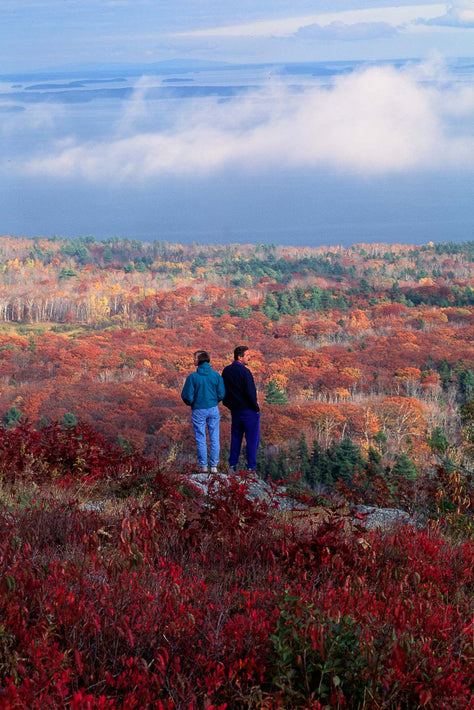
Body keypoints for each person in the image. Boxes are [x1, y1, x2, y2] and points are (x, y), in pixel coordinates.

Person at [181, 350, 225, 473]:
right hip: (213, 408)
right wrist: (214, 400)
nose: (193, 360)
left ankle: (204, 466)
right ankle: (214, 467)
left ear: (200, 360)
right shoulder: (216, 375)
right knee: (214, 437)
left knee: (201, 437)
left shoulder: (193, 377)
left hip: (198, 409)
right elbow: (221, 393)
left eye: (194, 358)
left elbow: (187, 396)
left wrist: (192, 403)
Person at [222, 345, 260, 473]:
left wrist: (229, 405)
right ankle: (250, 468)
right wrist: (255, 408)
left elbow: (224, 391)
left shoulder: (226, 371)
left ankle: (232, 465)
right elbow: (250, 392)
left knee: (236, 438)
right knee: (252, 440)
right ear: (240, 357)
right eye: (247, 355)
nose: (250, 358)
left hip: (235, 410)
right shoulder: (245, 372)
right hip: (248, 410)